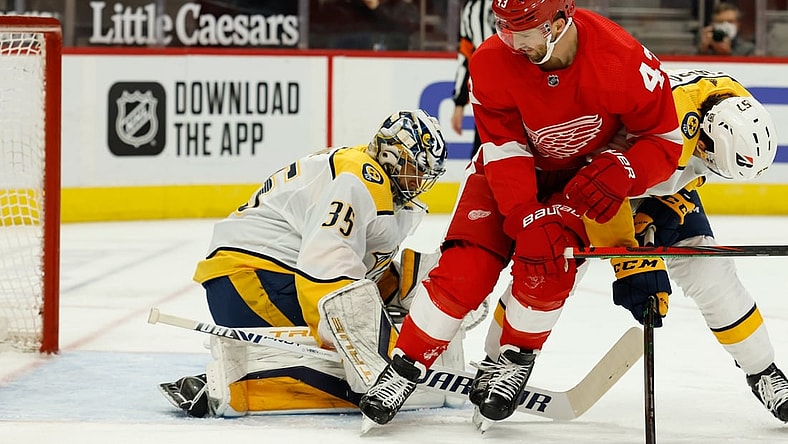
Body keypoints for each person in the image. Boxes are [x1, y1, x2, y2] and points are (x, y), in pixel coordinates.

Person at [359, 0, 683, 430]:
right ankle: (404, 366)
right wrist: (524, 214)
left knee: (550, 262)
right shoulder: (492, 61)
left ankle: (514, 357)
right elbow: (504, 149)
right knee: (465, 269)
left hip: (580, 180)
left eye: (523, 30)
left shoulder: (622, 58)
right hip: (505, 173)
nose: (511, 41)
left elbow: (664, 139)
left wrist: (627, 168)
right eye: (504, 28)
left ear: (560, 22)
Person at [158, 110, 455, 418]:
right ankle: (237, 387)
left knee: (357, 348)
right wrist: (364, 350)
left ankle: (245, 375)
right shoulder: (360, 179)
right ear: (392, 155)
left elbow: (354, 262)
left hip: (249, 277)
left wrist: (411, 284)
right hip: (252, 281)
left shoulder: (362, 173)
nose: (419, 180)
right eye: (414, 169)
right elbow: (326, 265)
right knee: (359, 370)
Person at [628, 68, 787, 422]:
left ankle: (763, 371)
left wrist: (654, 210)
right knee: (561, 265)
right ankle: (508, 358)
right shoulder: (664, 117)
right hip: (605, 176)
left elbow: (691, 170)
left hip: (657, 180)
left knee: (712, 273)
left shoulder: (732, 109)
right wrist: (635, 254)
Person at [451, 0, 495, 158]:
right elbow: (466, 57)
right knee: (482, 156)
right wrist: (459, 102)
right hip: (489, 98)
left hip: (524, 93)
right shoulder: (471, 8)